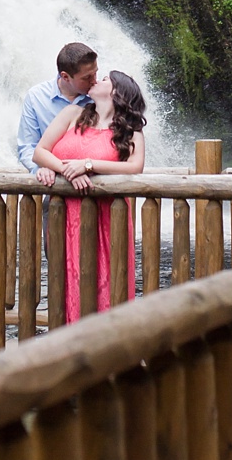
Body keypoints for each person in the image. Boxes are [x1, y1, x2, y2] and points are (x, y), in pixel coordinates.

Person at [33, 69, 147, 321]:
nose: (97, 80)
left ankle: (109, 349)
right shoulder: (72, 114)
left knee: (106, 276)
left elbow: (135, 167)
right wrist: (64, 170)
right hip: (64, 212)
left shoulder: (131, 130)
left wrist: (88, 164)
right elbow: (40, 151)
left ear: (117, 92)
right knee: (65, 275)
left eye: (105, 79)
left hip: (106, 215)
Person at [17, 42, 98, 184]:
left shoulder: (100, 95)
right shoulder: (36, 97)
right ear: (65, 76)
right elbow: (28, 146)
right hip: (55, 187)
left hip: (95, 182)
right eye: (87, 78)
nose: (94, 81)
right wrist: (40, 168)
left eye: (95, 73)